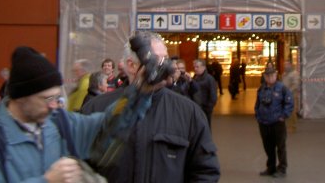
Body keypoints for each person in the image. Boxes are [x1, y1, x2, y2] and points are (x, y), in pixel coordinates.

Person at [0, 44, 173, 182]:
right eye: (47, 99)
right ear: (20, 98)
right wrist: (48, 181)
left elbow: (108, 127)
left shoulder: (58, 123)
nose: (55, 105)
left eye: (57, 97)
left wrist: (139, 91)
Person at [81, 33, 221, 183]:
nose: (165, 67)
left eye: (166, 59)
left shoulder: (188, 113)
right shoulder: (96, 108)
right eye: (156, 60)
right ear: (131, 65)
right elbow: (79, 167)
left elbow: (205, 171)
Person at [255, 63, 293, 178]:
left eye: (272, 75)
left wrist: (284, 116)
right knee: (268, 147)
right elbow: (257, 104)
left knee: (280, 146)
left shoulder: (282, 88)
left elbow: (289, 103)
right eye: (267, 76)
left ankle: (282, 168)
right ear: (265, 77)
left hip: (277, 123)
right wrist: (258, 115)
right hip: (264, 123)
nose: (270, 78)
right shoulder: (261, 88)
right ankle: (271, 167)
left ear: (276, 75)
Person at [189, 59, 218, 128]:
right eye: (194, 67)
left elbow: (213, 95)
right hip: (197, 107)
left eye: (197, 67)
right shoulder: (195, 78)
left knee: (206, 127)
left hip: (205, 108)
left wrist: (208, 108)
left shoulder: (209, 79)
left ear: (203, 67)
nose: (195, 69)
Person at [281, 63, 300, 133]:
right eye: (285, 65)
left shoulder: (294, 74)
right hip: (285, 95)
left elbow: (296, 84)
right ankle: (287, 126)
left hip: (292, 95)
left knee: (292, 111)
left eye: (287, 65)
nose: (285, 66)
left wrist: (289, 91)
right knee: (285, 110)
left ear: (291, 65)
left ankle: (293, 126)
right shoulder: (284, 73)